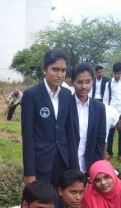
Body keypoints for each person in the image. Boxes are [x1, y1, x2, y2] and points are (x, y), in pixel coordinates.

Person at [21, 48, 79, 186]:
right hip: (41, 161)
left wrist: (75, 168)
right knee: (42, 202)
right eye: (55, 69)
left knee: (61, 200)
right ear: (44, 69)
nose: (60, 75)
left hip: (63, 160)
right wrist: (30, 172)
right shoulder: (31, 95)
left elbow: (70, 133)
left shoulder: (67, 95)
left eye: (63, 70)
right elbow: (27, 135)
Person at [71, 62, 107, 175]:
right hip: (68, 165)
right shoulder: (65, 104)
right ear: (73, 82)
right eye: (80, 82)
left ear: (93, 81)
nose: (84, 86)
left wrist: (96, 167)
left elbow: (100, 140)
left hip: (89, 165)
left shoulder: (99, 108)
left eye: (88, 82)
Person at [103, 63, 121, 163]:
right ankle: (109, 153)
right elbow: (106, 98)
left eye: (119, 73)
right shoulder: (109, 83)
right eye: (116, 73)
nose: (117, 76)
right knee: (110, 134)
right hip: (112, 111)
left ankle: (120, 154)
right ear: (113, 73)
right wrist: (105, 111)